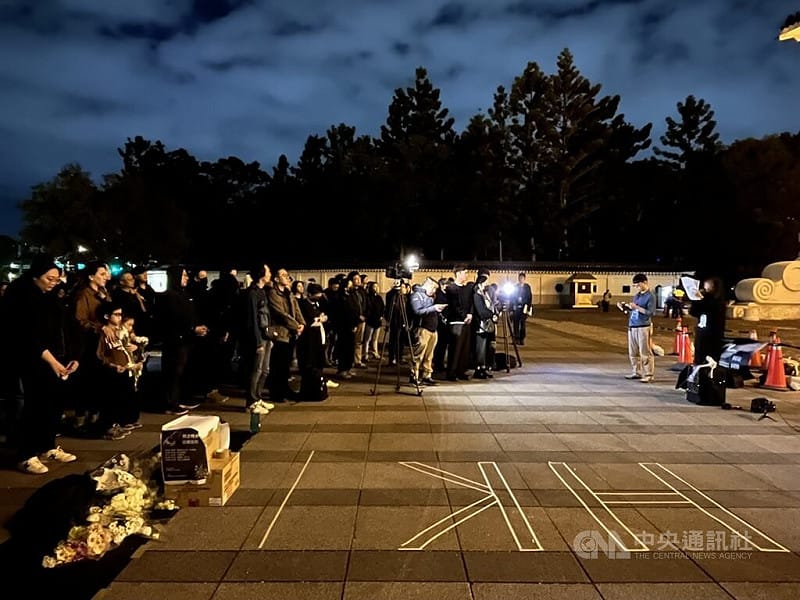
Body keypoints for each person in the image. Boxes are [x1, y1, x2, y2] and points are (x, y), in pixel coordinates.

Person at [6, 256, 80, 473]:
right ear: (35, 275)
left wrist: (72, 357)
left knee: (52, 405)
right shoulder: (19, 294)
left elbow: (65, 327)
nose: (53, 283)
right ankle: (26, 454)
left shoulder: (50, 297)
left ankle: (47, 446)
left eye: (57, 279)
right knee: (31, 408)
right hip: (29, 361)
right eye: (49, 278)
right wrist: (52, 361)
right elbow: (26, 334)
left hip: (55, 359)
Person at [620, 273, 656, 383]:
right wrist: (624, 308)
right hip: (633, 325)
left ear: (645, 282)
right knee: (633, 351)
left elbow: (650, 313)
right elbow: (633, 310)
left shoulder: (650, 296)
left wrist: (637, 307)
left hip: (643, 326)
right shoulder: (637, 296)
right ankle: (636, 371)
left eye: (638, 285)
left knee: (645, 351)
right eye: (635, 286)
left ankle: (649, 374)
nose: (637, 287)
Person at [689, 276, 727, 364]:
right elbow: (694, 312)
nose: (705, 286)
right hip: (701, 333)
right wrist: (696, 299)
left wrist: (701, 299)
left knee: (710, 359)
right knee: (699, 357)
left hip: (712, 335)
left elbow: (709, 308)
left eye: (708, 284)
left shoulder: (717, 301)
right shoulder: (705, 299)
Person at [512, 272, 533, 344]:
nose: (521, 279)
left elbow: (530, 297)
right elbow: (512, 297)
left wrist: (529, 307)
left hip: (524, 307)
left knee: (523, 323)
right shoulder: (515, 287)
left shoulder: (527, 287)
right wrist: (512, 307)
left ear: (524, 279)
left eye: (522, 278)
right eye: (519, 278)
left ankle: (522, 338)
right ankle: (516, 338)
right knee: (516, 323)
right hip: (517, 307)